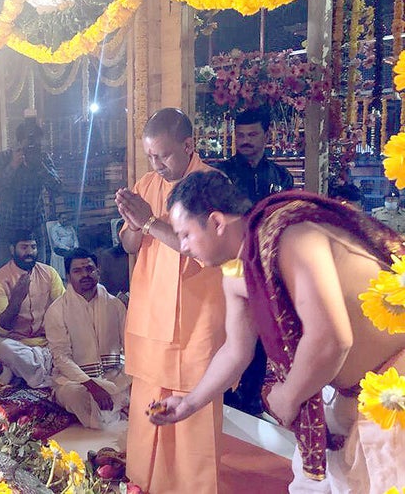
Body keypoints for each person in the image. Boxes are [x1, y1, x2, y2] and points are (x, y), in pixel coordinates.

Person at [153, 170, 405, 492]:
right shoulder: (238, 273)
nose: (183, 247)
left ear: (216, 223)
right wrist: (189, 403)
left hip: (394, 388)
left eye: (185, 234)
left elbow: (331, 340)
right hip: (349, 396)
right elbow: (236, 350)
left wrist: (288, 397)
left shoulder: (289, 236)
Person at [114, 108, 226, 493]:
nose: (156, 164)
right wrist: (131, 223)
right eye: (150, 156)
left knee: (192, 419)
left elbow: (203, 248)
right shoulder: (146, 184)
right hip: (150, 315)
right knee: (146, 415)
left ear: (188, 145)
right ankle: (143, 485)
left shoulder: (213, 184)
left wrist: (148, 221)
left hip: (195, 318)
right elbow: (130, 246)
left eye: (163, 155)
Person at [215, 107, 294, 416]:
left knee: (262, 330)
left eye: (252, 135)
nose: (245, 141)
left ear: (266, 135)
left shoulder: (280, 175)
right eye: (241, 135)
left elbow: (288, 215)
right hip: (231, 263)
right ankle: (220, 397)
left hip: (267, 263)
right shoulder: (222, 174)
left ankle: (249, 399)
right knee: (229, 330)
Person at [44, 248, 130, 429]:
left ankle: (111, 410)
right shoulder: (57, 310)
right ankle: (114, 411)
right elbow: (61, 357)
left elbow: (129, 345)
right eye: (77, 271)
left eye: (89, 269)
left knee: (141, 383)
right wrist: (92, 386)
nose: (85, 275)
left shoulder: (115, 304)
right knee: (73, 395)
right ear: (68, 276)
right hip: (76, 381)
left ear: (98, 271)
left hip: (114, 375)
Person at [0, 229, 65, 388]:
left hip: (48, 341)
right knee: (1, 346)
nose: (30, 252)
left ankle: (32, 371)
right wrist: (16, 299)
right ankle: (44, 377)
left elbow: (64, 308)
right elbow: (1, 328)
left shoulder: (49, 273)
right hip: (19, 344)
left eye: (33, 247)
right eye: (24, 247)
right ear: (12, 249)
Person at [0, 116, 61, 270]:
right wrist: (13, 166)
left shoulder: (43, 159)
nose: (33, 146)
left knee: (40, 275)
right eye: (29, 142)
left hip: (34, 228)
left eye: (37, 142)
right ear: (19, 141)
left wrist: (40, 167)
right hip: (8, 228)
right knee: (4, 276)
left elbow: (57, 188)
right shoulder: (5, 157)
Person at [98, 218, 129, 301]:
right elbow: (104, 283)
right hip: (118, 300)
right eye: (121, 232)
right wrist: (119, 294)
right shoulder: (108, 256)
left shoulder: (145, 252)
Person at [48, 212, 79, 280]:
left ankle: (78, 271)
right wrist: (68, 248)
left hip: (73, 247)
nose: (65, 220)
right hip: (60, 248)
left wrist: (75, 247)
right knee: (69, 255)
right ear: (58, 219)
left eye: (66, 218)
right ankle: (69, 274)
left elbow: (75, 238)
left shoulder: (70, 227)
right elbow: (57, 242)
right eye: (63, 218)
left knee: (81, 253)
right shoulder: (54, 228)